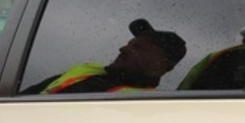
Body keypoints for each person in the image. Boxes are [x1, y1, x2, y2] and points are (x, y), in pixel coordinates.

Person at [22, 18, 187, 94]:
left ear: (163, 65)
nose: (123, 48)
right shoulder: (88, 71)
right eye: (129, 44)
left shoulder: (144, 106)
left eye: (138, 47)